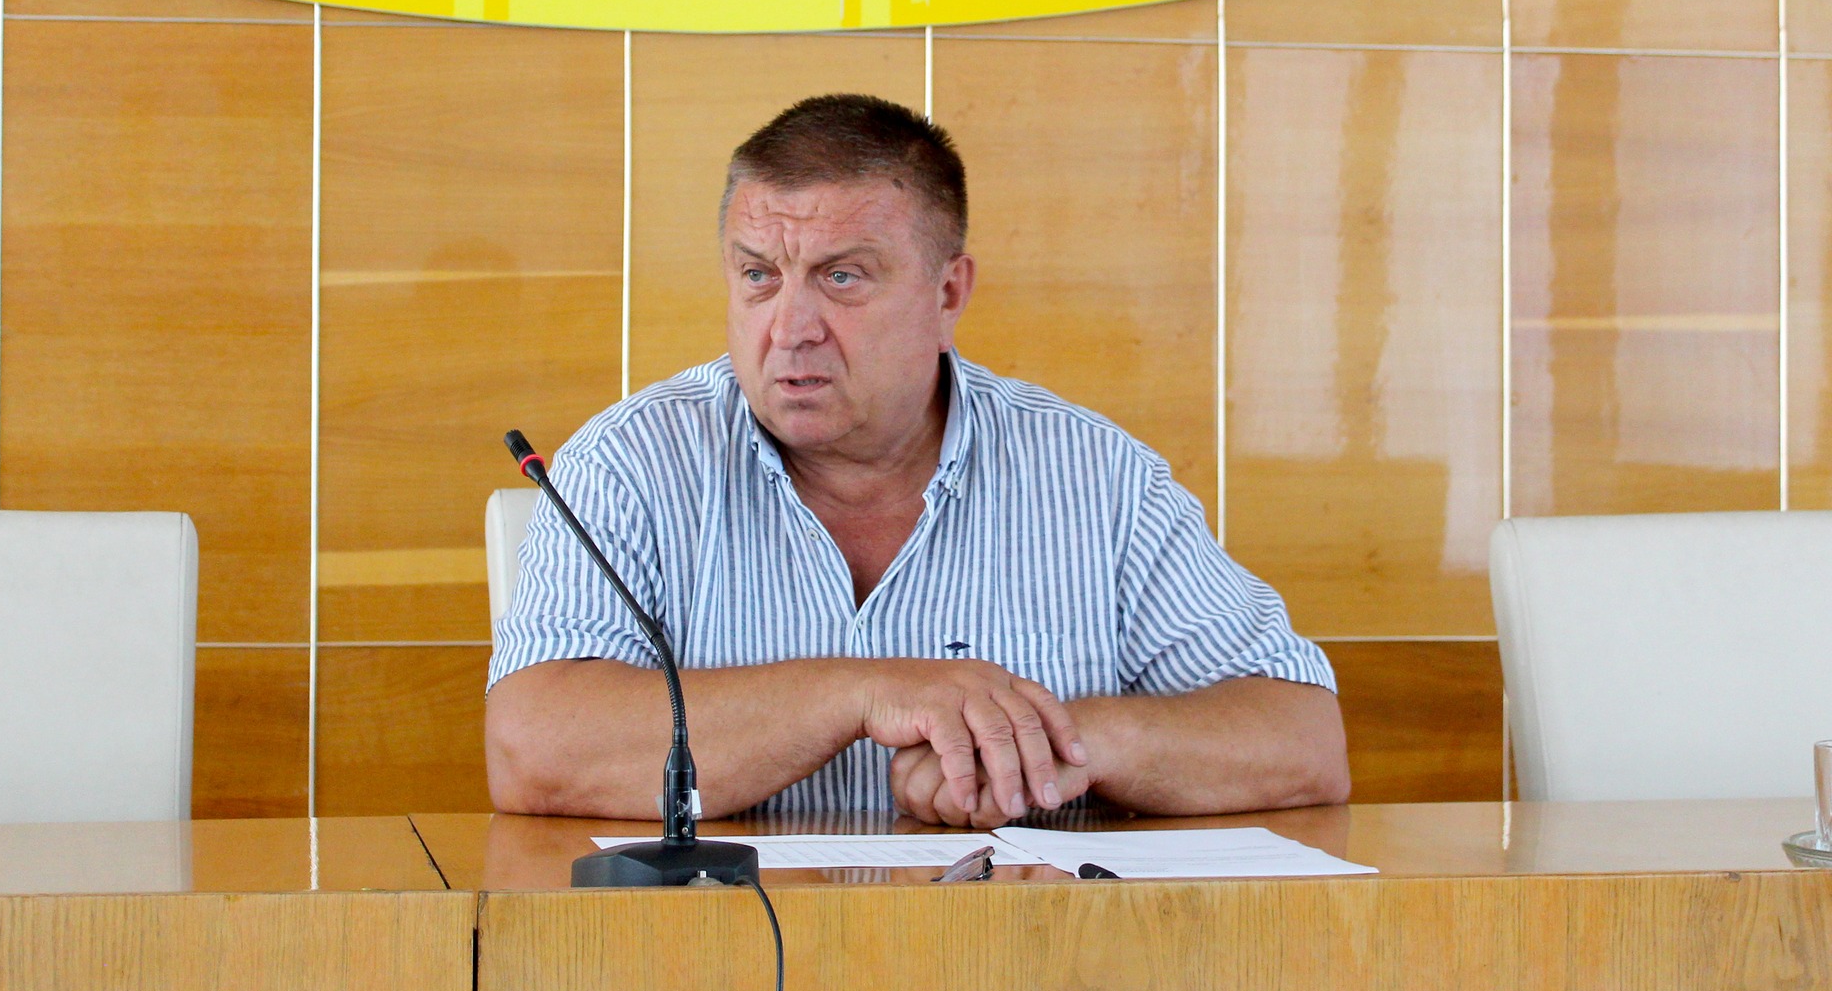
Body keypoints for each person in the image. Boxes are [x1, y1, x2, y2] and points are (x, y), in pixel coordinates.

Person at [485, 94, 1349, 828]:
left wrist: (1050, 742)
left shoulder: (1094, 477)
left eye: (843, 277)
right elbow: (532, 749)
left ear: (947, 293)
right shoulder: (632, 464)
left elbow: (1304, 740)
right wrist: (859, 692)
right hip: (717, 953)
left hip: (1017, 955)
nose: (789, 328)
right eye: (758, 275)